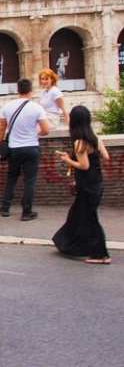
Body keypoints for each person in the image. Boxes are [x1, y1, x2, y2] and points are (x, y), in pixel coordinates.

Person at [53, 106, 111, 264]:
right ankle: (73, 245)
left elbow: (84, 166)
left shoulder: (79, 142)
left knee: (89, 218)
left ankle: (101, 255)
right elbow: (106, 157)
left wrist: (67, 160)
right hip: (97, 182)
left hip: (87, 185)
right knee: (78, 215)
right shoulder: (94, 137)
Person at [0, 79, 50, 221]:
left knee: (11, 178)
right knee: (29, 181)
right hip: (31, 148)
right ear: (31, 90)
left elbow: (1, 129)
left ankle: (5, 208)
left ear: (17, 90)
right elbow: (46, 130)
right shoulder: (37, 108)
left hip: (14, 149)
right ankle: (26, 212)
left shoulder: (7, 107)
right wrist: (35, 133)